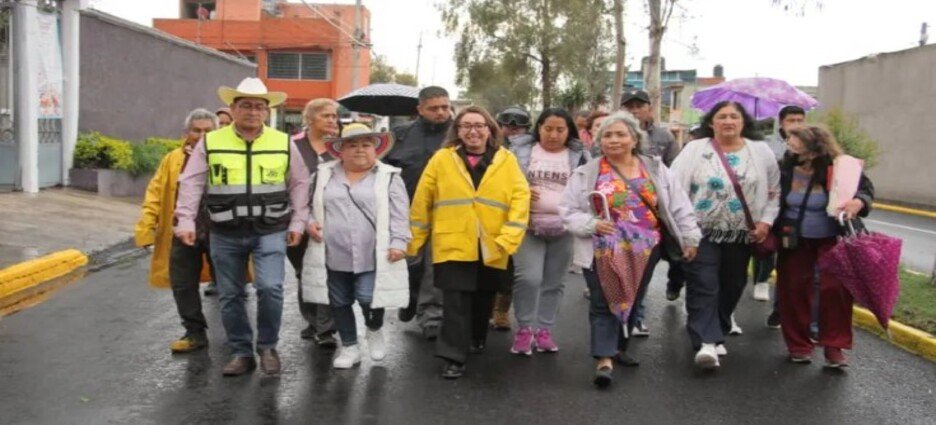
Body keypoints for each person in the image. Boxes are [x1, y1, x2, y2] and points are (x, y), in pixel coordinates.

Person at [175, 77, 311, 376]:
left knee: (271, 288)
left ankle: (267, 346)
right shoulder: (211, 142)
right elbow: (191, 182)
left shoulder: (283, 142)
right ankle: (241, 352)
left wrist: (299, 221)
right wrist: (185, 219)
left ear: (267, 111)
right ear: (233, 109)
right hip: (224, 230)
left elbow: (300, 183)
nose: (252, 111)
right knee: (230, 294)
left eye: (259, 106)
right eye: (245, 105)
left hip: (270, 227)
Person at [560, 111, 699, 388]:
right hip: (601, 249)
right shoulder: (587, 173)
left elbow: (678, 205)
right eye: (607, 135)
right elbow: (567, 210)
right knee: (602, 300)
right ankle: (604, 359)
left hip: (646, 249)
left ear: (635, 139)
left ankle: (620, 347)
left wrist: (690, 237)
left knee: (633, 297)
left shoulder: (656, 169)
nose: (614, 140)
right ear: (599, 141)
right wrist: (591, 224)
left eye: (621, 134)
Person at [407, 105, 530, 379]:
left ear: (489, 130)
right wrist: (413, 242)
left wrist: (510, 235)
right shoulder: (442, 158)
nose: (473, 131)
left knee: (483, 296)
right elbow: (422, 200)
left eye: (479, 125)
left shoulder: (506, 159)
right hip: (453, 240)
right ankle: (453, 356)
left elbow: (521, 198)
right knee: (455, 300)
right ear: (458, 131)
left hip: (493, 242)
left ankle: (476, 337)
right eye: (466, 126)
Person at [670, 101, 780, 369]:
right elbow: (674, 186)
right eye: (722, 117)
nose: (728, 121)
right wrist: (683, 229)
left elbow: (775, 192)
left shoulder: (761, 152)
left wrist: (765, 222)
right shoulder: (695, 149)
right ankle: (706, 342)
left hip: (742, 235)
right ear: (711, 122)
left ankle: (717, 329)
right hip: (700, 232)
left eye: (734, 116)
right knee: (704, 282)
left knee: (733, 284)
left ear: (743, 122)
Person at [301, 123, 411, 369]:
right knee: (338, 301)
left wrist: (398, 242)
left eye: (366, 145)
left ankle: (374, 329)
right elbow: (305, 207)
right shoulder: (322, 175)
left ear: (376, 149)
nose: (359, 150)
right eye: (352, 145)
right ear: (340, 149)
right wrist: (309, 223)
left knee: (367, 296)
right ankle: (350, 347)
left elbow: (400, 215)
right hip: (332, 251)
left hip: (373, 252)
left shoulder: (389, 176)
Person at [776, 125, 873, 368]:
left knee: (835, 291)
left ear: (814, 146)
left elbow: (865, 190)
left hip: (832, 238)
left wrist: (858, 202)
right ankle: (799, 345)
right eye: (789, 141)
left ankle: (834, 346)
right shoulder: (785, 168)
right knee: (793, 289)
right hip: (794, 239)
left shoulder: (839, 167)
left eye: (795, 141)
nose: (790, 144)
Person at [135, 108, 218, 353]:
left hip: (220, 232)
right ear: (186, 132)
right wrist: (145, 227)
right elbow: (155, 193)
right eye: (196, 130)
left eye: (207, 130)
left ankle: (238, 339)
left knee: (228, 286)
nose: (201, 135)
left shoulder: (226, 155)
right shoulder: (172, 159)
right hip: (183, 231)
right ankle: (194, 333)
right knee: (182, 284)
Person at [508, 108, 590, 355]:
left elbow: (588, 187)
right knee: (528, 278)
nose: (553, 135)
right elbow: (504, 182)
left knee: (554, 282)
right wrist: (521, 189)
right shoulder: (518, 152)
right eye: (548, 129)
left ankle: (544, 330)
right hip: (527, 227)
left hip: (563, 229)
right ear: (538, 128)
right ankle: (524, 330)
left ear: (568, 132)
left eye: (560, 130)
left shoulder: (580, 156)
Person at [385, 86, 453, 341]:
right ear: (420, 110)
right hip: (406, 212)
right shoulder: (400, 136)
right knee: (410, 264)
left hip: (445, 212)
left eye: (445, 107)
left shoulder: (459, 134)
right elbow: (382, 170)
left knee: (434, 267)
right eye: (434, 108)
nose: (441, 112)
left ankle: (431, 317)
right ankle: (411, 298)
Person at [620, 89, 682, 337]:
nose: (635, 110)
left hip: (655, 211)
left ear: (649, 109)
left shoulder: (665, 137)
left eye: (639, 106)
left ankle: (641, 310)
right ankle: (632, 316)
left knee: (649, 264)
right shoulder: (614, 133)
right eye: (629, 106)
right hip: (622, 210)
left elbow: (674, 171)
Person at [286, 98, 340, 348]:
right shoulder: (291, 145)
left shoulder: (340, 147)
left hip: (331, 219)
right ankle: (312, 319)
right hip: (296, 218)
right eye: (326, 116)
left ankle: (325, 328)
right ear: (309, 119)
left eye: (334, 116)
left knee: (327, 271)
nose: (332, 120)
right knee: (304, 272)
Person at [487, 105, 535, 331]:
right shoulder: (489, 147)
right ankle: (487, 308)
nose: (513, 130)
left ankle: (502, 311)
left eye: (519, 127)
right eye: (508, 126)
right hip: (493, 212)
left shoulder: (535, 150)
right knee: (491, 264)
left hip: (524, 212)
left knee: (513, 268)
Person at [758, 106, 805, 324]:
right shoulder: (767, 145)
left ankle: (806, 321)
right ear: (781, 122)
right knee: (781, 265)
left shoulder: (814, 150)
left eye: (800, 120)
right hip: (782, 221)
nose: (796, 125)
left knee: (808, 276)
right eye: (792, 120)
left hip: (811, 227)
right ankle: (764, 285)